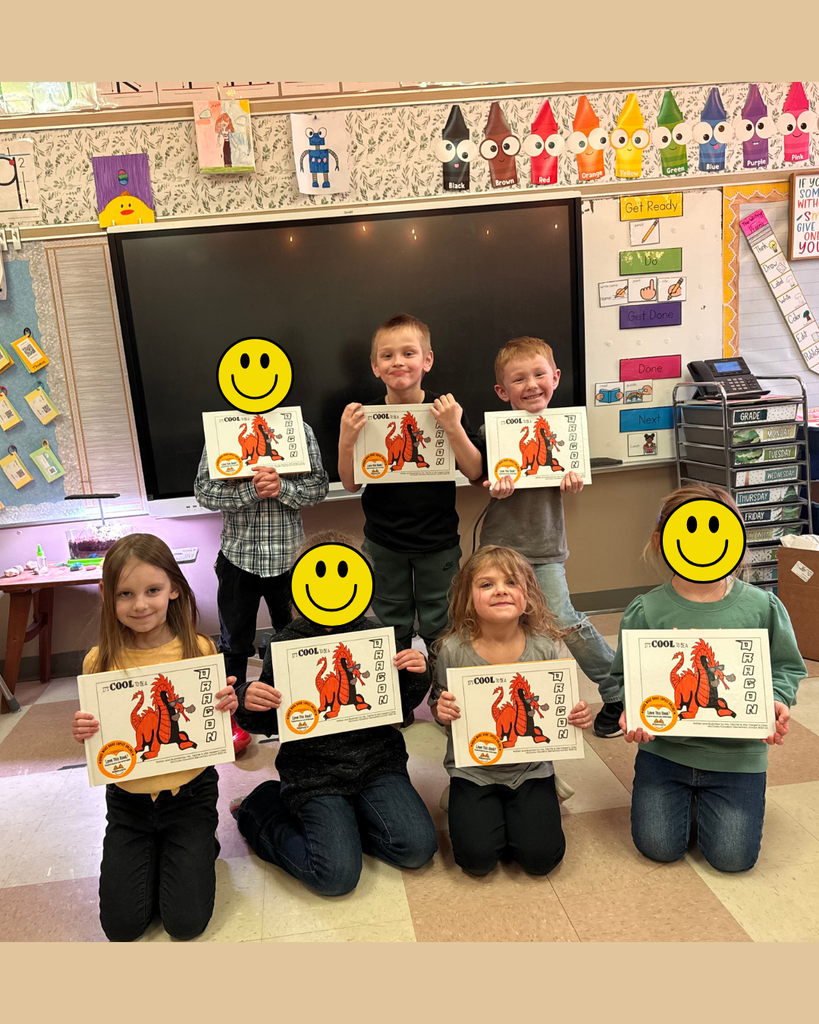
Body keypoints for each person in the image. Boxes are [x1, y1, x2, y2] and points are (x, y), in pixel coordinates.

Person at [230, 530, 438, 896]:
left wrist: (419, 673)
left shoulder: (375, 635)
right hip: (313, 773)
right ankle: (259, 807)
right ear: (299, 586)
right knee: (336, 876)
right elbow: (268, 722)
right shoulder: (285, 643)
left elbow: (399, 706)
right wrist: (249, 698)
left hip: (377, 763)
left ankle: (346, 826)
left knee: (418, 849)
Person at [612, 484, 806, 873]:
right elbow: (623, 676)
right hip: (665, 754)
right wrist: (630, 709)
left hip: (737, 758)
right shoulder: (645, 610)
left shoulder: (761, 606)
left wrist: (778, 700)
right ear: (661, 541)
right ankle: (689, 800)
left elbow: (786, 667)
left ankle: (707, 801)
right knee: (659, 848)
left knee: (733, 860)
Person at [71, 534, 238, 941]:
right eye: (125, 594)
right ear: (107, 596)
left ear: (174, 589)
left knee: (185, 924)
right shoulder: (99, 661)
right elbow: (100, 730)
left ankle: (198, 845)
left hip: (190, 796)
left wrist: (226, 703)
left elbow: (204, 716)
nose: (140, 604)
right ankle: (168, 853)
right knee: (122, 928)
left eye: (153, 590)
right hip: (128, 804)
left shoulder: (197, 650)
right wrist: (84, 730)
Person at [337, 313, 485, 715]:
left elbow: (475, 472)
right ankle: (397, 697)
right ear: (375, 366)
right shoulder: (363, 416)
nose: (398, 362)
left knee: (442, 624)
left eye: (408, 353)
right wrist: (347, 438)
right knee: (390, 625)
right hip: (384, 542)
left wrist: (453, 428)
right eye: (387, 355)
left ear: (428, 360)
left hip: (438, 541)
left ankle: (443, 696)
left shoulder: (445, 409)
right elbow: (350, 483)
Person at [476, 336, 623, 737]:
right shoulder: (493, 434)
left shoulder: (564, 433)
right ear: (502, 391)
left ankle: (618, 690)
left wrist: (572, 480)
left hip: (544, 548)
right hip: (498, 551)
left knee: (564, 622)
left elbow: (561, 473)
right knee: (497, 625)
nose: (531, 385)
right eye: (519, 379)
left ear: (555, 378)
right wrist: (494, 485)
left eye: (540, 374)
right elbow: (481, 476)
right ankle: (506, 702)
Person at [431, 545, 592, 877]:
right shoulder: (452, 651)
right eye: (486, 584)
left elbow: (558, 710)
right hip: (474, 768)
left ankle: (545, 793)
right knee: (476, 862)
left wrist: (578, 717)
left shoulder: (545, 647)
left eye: (511, 583)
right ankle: (462, 798)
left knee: (541, 859)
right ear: (467, 597)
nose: (500, 590)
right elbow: (442, 711)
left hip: (530, 767)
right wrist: (440, 710)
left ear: (528, 596)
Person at [193, 419, 329, 691]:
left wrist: (282, 488)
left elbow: (319, 488)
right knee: (233, 644)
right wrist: (251, 491)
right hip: (237, 559)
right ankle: (236, 710)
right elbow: (204, 492)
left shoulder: (299, 429)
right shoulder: (223, 430)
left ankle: (299, 698)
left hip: (289, 560)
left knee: (298, 638)